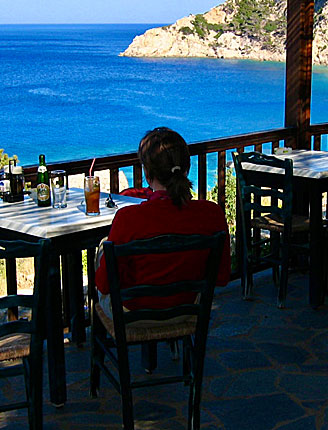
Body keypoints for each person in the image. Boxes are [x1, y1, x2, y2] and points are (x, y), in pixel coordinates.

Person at [94, 127, 231, 312]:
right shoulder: (211, 214)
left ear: (147, 174)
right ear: (187, 169)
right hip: (188, 308)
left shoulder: (128, 219)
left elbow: (104, 285)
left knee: (104, 248)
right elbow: (221, 277)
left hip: (135, 314)